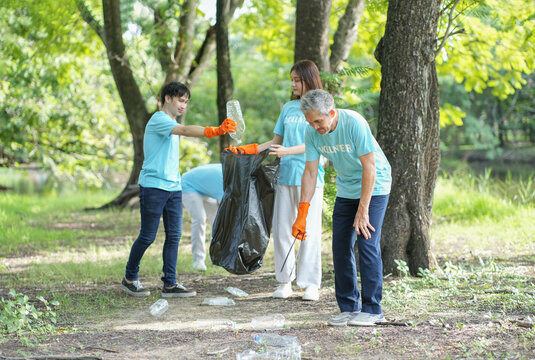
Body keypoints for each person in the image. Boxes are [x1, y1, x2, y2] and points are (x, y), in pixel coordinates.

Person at [121, 82, 235, 298]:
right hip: (154, 186)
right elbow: (184, 130)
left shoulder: (170, 122)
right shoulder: (159, 120)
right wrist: (216, 130)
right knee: (147, 236)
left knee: (174, 236)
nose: (183, 105)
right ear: (167, 99)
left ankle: (170, 284)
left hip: (174, 186)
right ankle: (129, 278)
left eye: (186, 102)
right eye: (180, 100)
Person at [292, 89, 391, 326]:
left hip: (375, 186)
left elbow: (370, 167)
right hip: (347, 189)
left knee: (366, 243)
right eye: (310, 121)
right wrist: (302, 213)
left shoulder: (354, 123)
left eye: (318, 120)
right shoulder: (312, 132)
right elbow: (310, 172)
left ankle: (373, 309)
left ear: (332, 113)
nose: (315, 126)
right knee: (340, 246)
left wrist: (363, 209)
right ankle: (349, 307)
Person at [228, 60, 325, 301]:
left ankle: (310, 283)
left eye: (297, 80)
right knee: (283, 230)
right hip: (285, 177)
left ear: (308, 80)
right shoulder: (288, 108)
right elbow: (274, 142)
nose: (292, 84)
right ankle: (285, 281)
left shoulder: (321, 105)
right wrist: (249, 150)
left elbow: (319, 144)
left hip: (310, 178)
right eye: (291, 79)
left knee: (309, 231)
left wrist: (288, 151)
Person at [181, 163, 224, 271]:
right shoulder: (225, 181)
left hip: (205, 189)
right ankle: (198, 260)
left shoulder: (231, 176)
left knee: (217, 221)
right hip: (188, 185)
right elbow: (224, 205)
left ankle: (217, 257)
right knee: (199, 219)